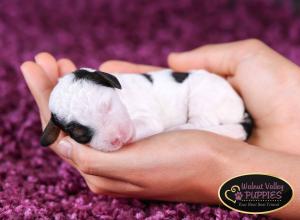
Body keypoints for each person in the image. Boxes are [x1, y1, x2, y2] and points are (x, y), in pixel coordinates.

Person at [21, 39, 300, 219]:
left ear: (111, 83)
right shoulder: (102, 96)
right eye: (84, 133)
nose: (114, 135)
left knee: (201, 107)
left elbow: (152, 124)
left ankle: (228, 129)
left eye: (107, 108)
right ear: (59, 130)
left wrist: (217, 166)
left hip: (206, 93)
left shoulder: (133, 92)